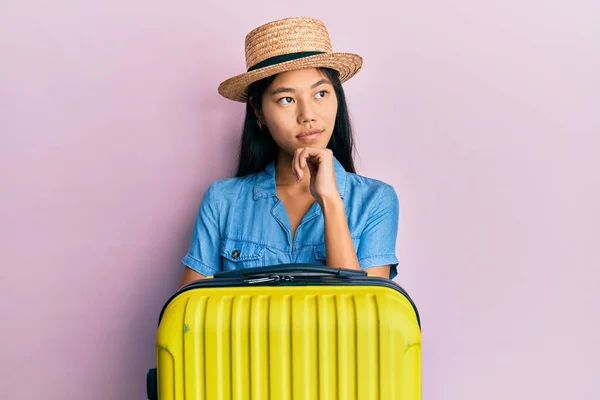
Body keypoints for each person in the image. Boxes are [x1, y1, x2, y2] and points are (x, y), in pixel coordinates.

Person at [180, 16, 400, 286]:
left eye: (321, 94)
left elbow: (364, 316)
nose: (308, 115)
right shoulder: (222, 201)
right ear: (258, 110)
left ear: (337, 98)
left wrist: (331, 202)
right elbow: (188, 314)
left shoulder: (376, 200)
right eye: (286, 99)